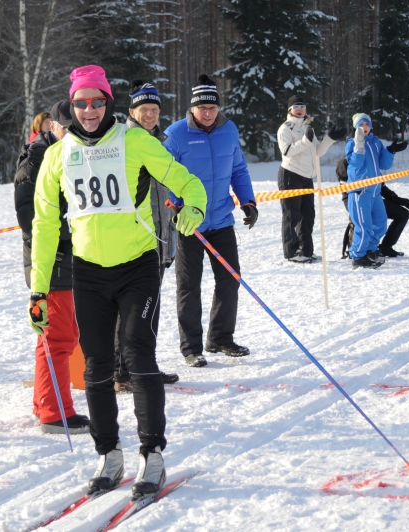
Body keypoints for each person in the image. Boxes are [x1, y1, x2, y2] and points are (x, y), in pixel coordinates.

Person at [28, 65, 207, 499]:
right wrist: (37, 290)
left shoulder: (134, 140)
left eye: (97, 101)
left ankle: (153, 454)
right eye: (80, 103)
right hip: (87, 271)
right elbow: (45, 224)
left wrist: (194, 209)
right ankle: (108, 454)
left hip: (137, 265)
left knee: (138, 355)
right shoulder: (57, 155)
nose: (89, 110)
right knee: (97, 368)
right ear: (71, 107)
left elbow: (188, 182)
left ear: (109, 102)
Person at [163, 74, 256, 368]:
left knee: (230, 279)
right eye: (202, 107)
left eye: (212, 107)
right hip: (189, 223)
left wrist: (248, 201)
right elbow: (161, 175)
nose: (207, 112)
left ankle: (220, 338)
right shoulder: (175, 135)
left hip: (220, 219)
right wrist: (175, 207)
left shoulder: (229, 131)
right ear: (192, 108)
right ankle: (191, 347)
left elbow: (238, 169)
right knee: (189, 286)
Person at [14, 100, 90, 434]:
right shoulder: (36, 160)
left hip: (70, 257)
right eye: (67, 128)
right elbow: (32, 219)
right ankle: (53, 411)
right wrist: (69, 232)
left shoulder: (71, 155)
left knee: (63, 335)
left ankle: (46, 402)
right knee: (57, 337)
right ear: (53, 127)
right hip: (50, 260)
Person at [114, 79, 179, 393]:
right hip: (134, 242)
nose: (150, 115)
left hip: (161, 240)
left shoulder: (160, 142)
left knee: (149, 309)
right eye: (144, 109)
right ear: (132, 111)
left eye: (154, 109)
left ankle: (144, 366)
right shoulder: (123, 142)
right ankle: (121, 371)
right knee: (129, 311)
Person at [277, 95, 347, 263]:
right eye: (296, 107)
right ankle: (291, 252)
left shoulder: (308, 128)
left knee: (308, 215)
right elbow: (286, 151)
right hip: (290, 174)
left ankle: (306, 250)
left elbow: (317, 151)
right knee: (291, 215)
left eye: (302, 106)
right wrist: (305, 141)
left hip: (307, 176)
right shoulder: (285, 128)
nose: (299, 109)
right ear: (290, 110)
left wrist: (331, 138)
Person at [344, 113, 406, 269]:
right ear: (355, 128)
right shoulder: (351, 144)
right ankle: (358, 256)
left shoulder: (376, 143)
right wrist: (359, 144)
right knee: (364, 226)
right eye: (360, 125)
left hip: (375, 193)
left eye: (366, 124)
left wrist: (391, 150)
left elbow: (384, 165)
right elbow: (356, 163)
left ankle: (370, 250)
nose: (364, 128)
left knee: (380, 224)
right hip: (360, 193)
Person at [336, 158, 409, 258]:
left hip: (374, 199)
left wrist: (396, 199)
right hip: (354, 199)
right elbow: (346, 189)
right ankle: (356, 249)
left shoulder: (371, 159)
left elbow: (380, 186)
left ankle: (386, 247)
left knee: (403, 214)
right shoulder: (345, 162)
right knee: (364, 220)